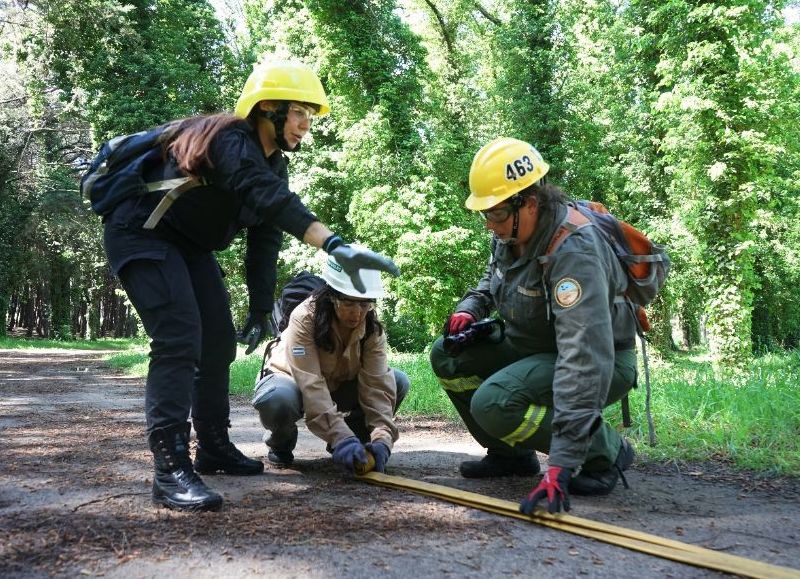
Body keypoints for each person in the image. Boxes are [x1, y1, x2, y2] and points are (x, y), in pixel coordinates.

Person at [101, 58, 399, 512]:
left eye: (309, 117)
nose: (305, 126)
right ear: (269, 110)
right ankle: (169, 469)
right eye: (299, 113)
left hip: (186, 246)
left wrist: (261, 306)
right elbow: (267, 198)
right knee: (180, 337)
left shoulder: (273, 165)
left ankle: (214, 447)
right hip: (140, 231)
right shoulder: (229, 141)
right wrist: (332, 243)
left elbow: (265, 234)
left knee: (218, 342)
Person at [429, 137, 638, 514]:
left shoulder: (574, 251)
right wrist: (470, 309)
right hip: (534, 346)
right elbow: (491, 279)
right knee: (447, 356)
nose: (490, 226)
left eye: (494, 214)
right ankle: (511, 455)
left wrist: (561, 463)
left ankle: (604, 450)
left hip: (594, 360)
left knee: (493, 402)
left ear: (528, 202)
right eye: (486, 215)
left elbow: (583, 357)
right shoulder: (512, 233)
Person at [252, 251, 408, 474]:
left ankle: (357, 446)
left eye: (365, 305)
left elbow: (378, 386)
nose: (357, 313)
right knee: (277, 400)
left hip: (336, 385)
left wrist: (383, 437)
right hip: (292, 383)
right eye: (348, 303)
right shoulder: (305, 317)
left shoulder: (371, 329)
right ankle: (281, 442)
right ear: (332, 296)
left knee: (397, 381)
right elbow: (311, 384)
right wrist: (340, 437)